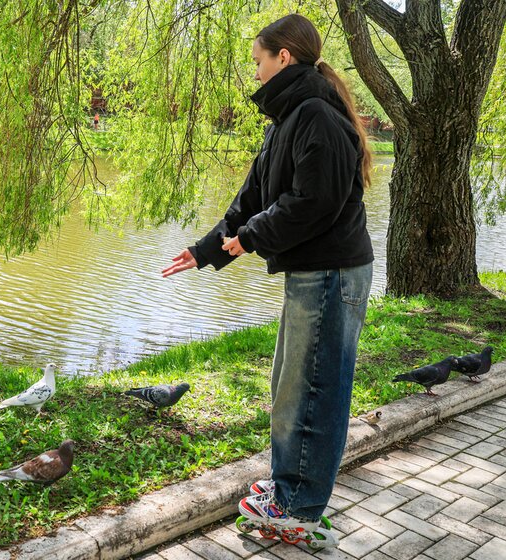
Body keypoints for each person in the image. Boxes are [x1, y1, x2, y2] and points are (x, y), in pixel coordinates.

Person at [162, 13, 374, 540]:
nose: (254, 72)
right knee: (289, 388)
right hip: (314, 272)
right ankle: (287, 488)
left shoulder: (316, 114)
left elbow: (315, 201)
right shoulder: (288, 118)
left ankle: (299, 510)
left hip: (332, 273)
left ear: (284, 57)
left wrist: (252, 237)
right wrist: (205, 250)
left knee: (314, 393)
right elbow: (253, 198)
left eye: (258, 61)